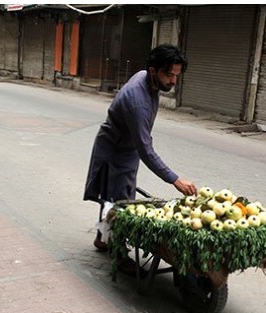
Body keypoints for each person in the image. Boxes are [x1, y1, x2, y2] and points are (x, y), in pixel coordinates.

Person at [83, 43, 198, 252]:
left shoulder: (147, 77)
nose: (173, 81)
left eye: (176, 76)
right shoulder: (138, 101)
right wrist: (175, 180)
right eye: (169, 75)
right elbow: (146, 149)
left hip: (128, 149)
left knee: (116, 198)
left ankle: (102, 238)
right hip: (114, 151)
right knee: (120, 204)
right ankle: (118, 253)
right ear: (153, 70)